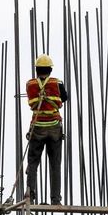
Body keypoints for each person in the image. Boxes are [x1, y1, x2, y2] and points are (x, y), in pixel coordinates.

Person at [25, 54, 69, 205]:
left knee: (32, 163)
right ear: (50, 70)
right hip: (54, 128)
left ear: (36, 69)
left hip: (37, 127)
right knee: (55, 165)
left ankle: (30, 196)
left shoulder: (30, 84)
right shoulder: (57, 83)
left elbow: (31, 101)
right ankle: (55, 199)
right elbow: (65, 97)